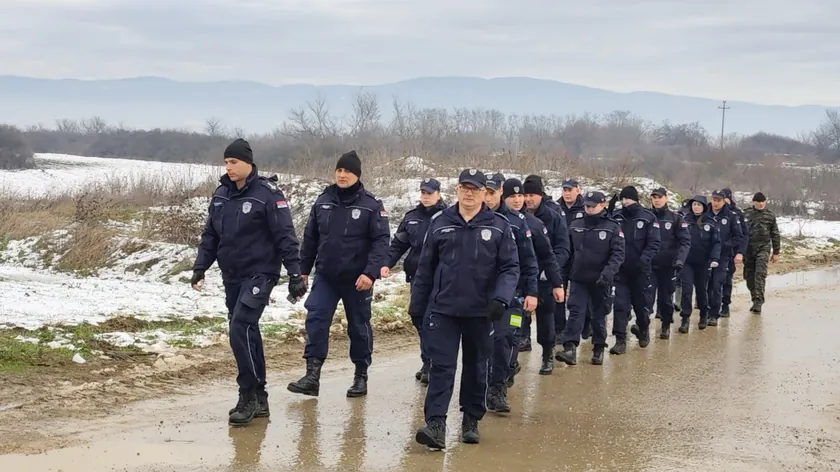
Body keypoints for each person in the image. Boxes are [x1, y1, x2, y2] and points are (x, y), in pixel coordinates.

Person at [191, 138, 308, 425]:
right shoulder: (221, 194)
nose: (228, 168)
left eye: (233, 162)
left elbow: (285, 236)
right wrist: (201, 267)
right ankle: (261, 397)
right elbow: (211, 235)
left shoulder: (267, 194)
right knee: (247, 332)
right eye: (226, 163)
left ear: (248, 163)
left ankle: (248, 394)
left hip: (261, 273)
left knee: (239, 327)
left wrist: (295, 273)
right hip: (232, 273)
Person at [410, 168, 519, 450]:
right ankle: (436, 423)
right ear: (457, 190)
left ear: (484, 193)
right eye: (464, 188)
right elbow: (425, 268)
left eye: (475, 189)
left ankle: (471, 419)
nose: (469, 193)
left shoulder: (499, 226)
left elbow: (510, 268)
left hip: (481, 312)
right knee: (441, 366)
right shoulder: (440, 222)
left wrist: (501, 299)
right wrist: (417, 306)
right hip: (444, 309)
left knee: (476, 366)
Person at [287, 150, 390, 398]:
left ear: (357, 175)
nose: (342, 175)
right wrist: (303, 271)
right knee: (316, 319)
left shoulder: (371, 205)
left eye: (348, 171)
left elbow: (381, 242)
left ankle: (360, 376)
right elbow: (310, 239)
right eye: (339, 170)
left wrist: (370, 274)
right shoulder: (323, 201)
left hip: (358, 279)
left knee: (358, 326)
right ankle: (312, 376)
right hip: (326, 276)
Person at [496, 177, 565, 389]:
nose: (518, 200)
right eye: (513, 196)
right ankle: (509, 365)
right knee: (512, 329)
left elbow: (549, 255)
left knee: (543, 319)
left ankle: (547, 353)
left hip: (538, 281)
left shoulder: (534, 224)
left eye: (521, 196)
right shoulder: (495, 222)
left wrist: (556, 282)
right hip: (511, 287)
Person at [482, 173, 540, 413]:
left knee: (506, 338)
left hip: (512, 294)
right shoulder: (470, 220)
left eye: (491, 193)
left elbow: (529, 260)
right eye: (484, 192)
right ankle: (485, 384)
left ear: (500, 193)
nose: (487, 198)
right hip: (479, 294)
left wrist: (532, 292)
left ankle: (497, 389)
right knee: (484, 343)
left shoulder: (516, 223)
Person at [382, 178, 447, 384]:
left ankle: (433, 363)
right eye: (423, 193)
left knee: (434, 320)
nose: (426, 197)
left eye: (430, 193)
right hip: (417, 277)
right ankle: (427, 359)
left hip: (441, 279)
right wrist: (386, 264)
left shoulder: (448, 217)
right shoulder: (412, 217)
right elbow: (398, 245)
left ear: (438, 194)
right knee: (418, 316)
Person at [555, 191, 625, 366]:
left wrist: (607, 274)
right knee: (575, 312)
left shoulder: (612, 227)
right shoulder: (576, 224)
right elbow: (568, 252)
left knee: (598, 315)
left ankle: (598, 348)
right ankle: (570, 348)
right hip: (579, 277)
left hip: (601, 279)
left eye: (593, 206)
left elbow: (618, 255)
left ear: (603, 205)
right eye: (587, 206)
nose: (589, 209)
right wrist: (562, 276)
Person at [522, 174, 570, 374]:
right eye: (525, 195)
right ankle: (520, 343)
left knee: (545, 317)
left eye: (532, 195)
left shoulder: (554, 217)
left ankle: (547, 353)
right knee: (518, 316)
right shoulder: (518, 217)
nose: (528, 199)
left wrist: (550, 270)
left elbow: (563, 248)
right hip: (523, 276)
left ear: (540, 195)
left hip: (545, 276)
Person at [609, 186, 660, 354]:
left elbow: (654, 243)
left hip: (640, 271)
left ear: (636, 199)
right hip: (621, 270)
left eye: (628, 199)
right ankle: (620, 340)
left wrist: (643, 260)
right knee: (620, 305)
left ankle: (643, 328)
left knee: (641, 304)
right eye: (623, 199)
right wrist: (609, 210)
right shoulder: (617, 216)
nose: (625, 202)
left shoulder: (648, 217)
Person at [648, 188, 691, 339]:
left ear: (666, 198)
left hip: (668, 266)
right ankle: (643, 326)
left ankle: (665, 325)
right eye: (654, 197)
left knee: (666, 298)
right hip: (649, 265)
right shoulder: (647, 217)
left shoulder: (675, 218)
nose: (657, 200)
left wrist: (680, 260)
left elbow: (685, 241)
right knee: (646, 297)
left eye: (659, 197)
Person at [680, 196, 721, 332]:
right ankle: (685, 318)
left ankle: (704, 314)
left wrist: (714, 258)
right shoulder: (685, 221)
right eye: (694, 205)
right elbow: (679, 240)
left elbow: (716, 243)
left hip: (703, 262)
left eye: (699, 205)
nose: (696, 207)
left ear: (703, 206)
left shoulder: (711, 222)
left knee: (701, 290)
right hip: (687, 261)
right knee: (686, 290)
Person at [706, 190, 745, 325]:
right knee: (707, 285)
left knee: (717, 284)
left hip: (723, 256)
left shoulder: (731, 216)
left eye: (718, 201)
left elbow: (739, 236)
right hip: (706, 256)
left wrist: (727, 246)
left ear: (724, 201)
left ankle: (714, 314)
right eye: (714, 200)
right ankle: (706, 311)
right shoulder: (705, 215)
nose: (715, 203)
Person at [558, 179, 590, 339]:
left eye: (570, 190)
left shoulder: (586, 208)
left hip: (581, 258)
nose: (567, 193)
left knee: (581, 295)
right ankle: (560, 329)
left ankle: (586, 323)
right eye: (564, 190)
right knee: (558, 293)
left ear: (578, 190)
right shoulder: (556, 208)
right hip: (562, 257)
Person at [743, 192, 781, 314]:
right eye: (758, 202)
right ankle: (754, 298)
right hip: (748, 249)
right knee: (749, 276)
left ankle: (759, 302)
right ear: (753, 202)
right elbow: (740, 232)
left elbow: (775, 234)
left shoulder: (770, 215)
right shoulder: (746, 214)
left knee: (760, 274)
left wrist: (776, 252)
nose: (761, 204)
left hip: (763, 248)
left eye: (763, 202)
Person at [720, 188, 749, 316]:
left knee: (726, 280)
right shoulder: (711, 212)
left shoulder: (737, 214)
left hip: (731, 251)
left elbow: (744, 235)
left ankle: (725, 305)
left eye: (725, 198)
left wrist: (740, 252)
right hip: (713, 252)